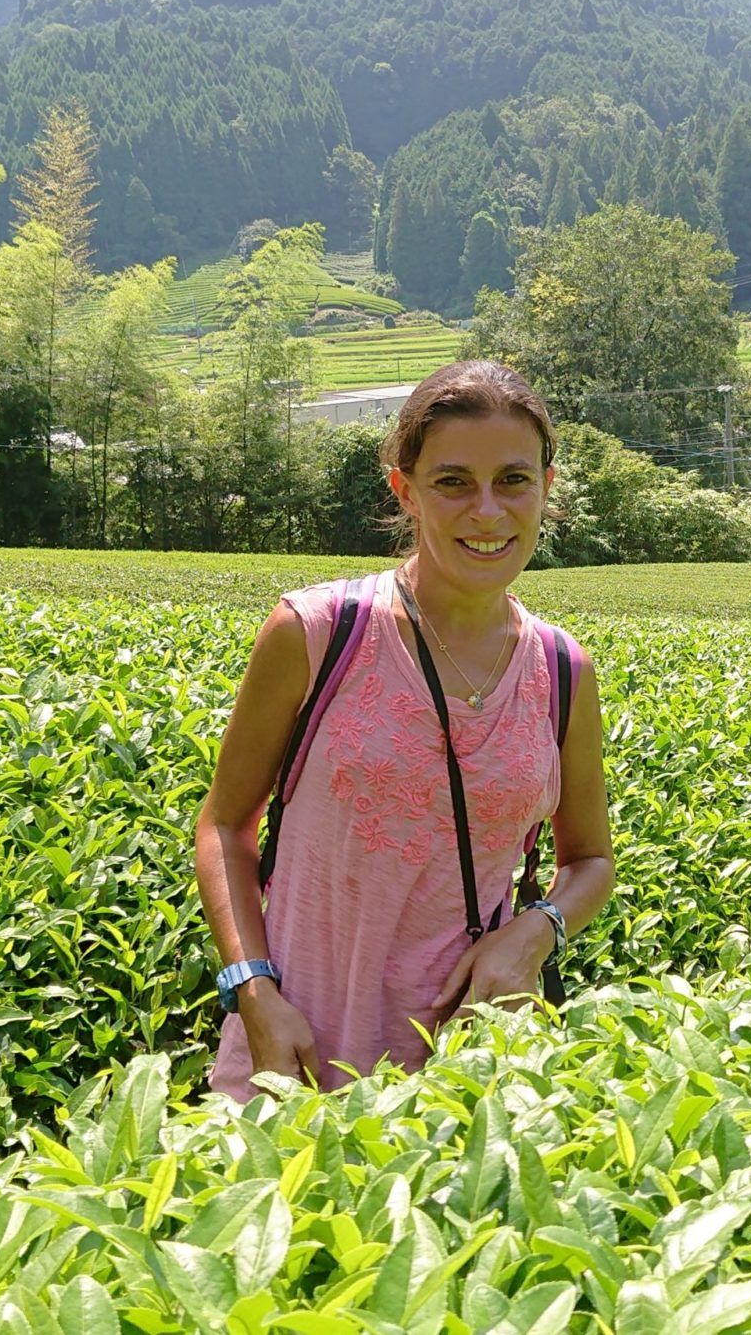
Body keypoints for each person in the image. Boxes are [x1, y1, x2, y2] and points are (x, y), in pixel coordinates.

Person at [196, 360, 615, 1099]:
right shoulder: (318, 633)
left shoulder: (562, 668)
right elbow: (225, 827)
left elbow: (589, 861)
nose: (487, 511)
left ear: (547, 489)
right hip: (295, 1048)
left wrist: (534, 932)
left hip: (473, 1067)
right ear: (405, 489)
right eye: (454, 482)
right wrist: (251, 990)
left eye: (513, 480)